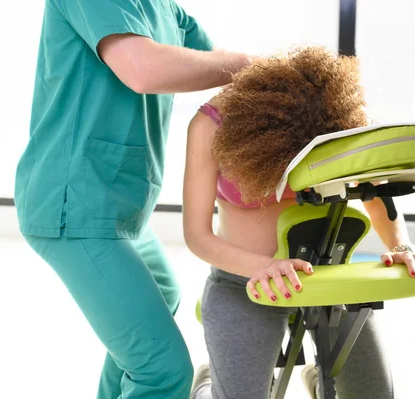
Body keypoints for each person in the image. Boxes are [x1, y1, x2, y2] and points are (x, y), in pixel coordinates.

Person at [14, 1, 258, 398]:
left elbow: (209, 62)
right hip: (74, 201)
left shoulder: (165, 8)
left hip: (120, 206)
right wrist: (250, 63)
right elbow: (143, 69)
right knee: (162, 371)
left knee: (164, 293)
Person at [182, 46, 415, 399]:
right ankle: (206, 387)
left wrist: (401, 247)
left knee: (375, 394)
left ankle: (319, 383)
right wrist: (266, 267)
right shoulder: (210, 125)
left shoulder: (335, 116)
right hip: (244, 283)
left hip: (327, 272)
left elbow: (378, 195)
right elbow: (196, 235)